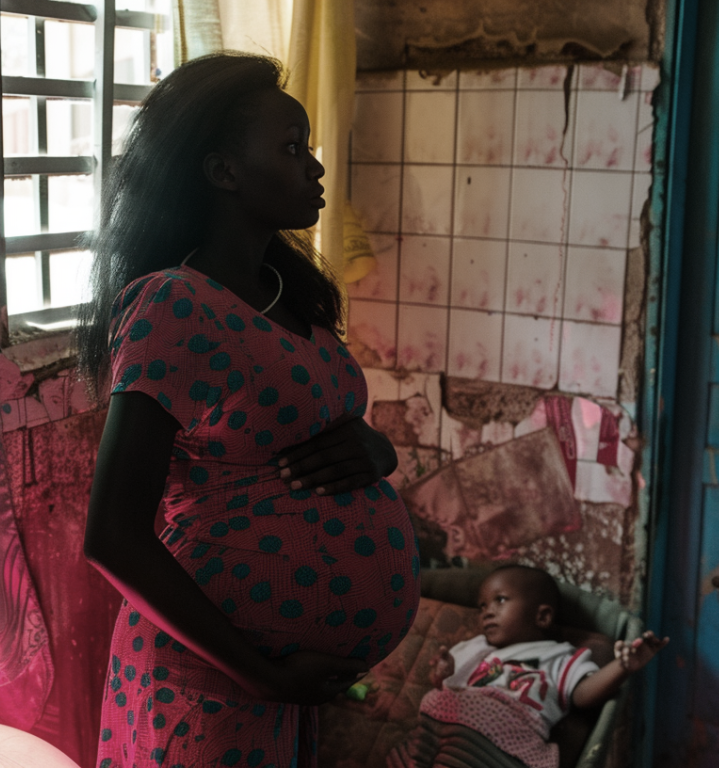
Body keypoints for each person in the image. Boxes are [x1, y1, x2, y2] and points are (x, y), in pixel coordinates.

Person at [73, 52, 420, 768]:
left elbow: (301, 437)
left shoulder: (285, 292)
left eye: (309, 147)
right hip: (211, 681)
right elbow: (113, 533)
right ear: (222, 171)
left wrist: (378, 453)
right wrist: (259, 672)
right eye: (292, 149)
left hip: (271, 685)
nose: (315, 167)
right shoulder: (172, 301)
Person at [387, 565, 670, 768]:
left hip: (505, 736)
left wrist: (623, 667)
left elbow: (583, 694)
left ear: (543, 616)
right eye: (482, 605)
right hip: (452, 724)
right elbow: (448, 688)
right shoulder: (476, 648)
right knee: (430, 717)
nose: (486, 612)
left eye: (500, 600)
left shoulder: (560, 656)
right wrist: (444, 672)